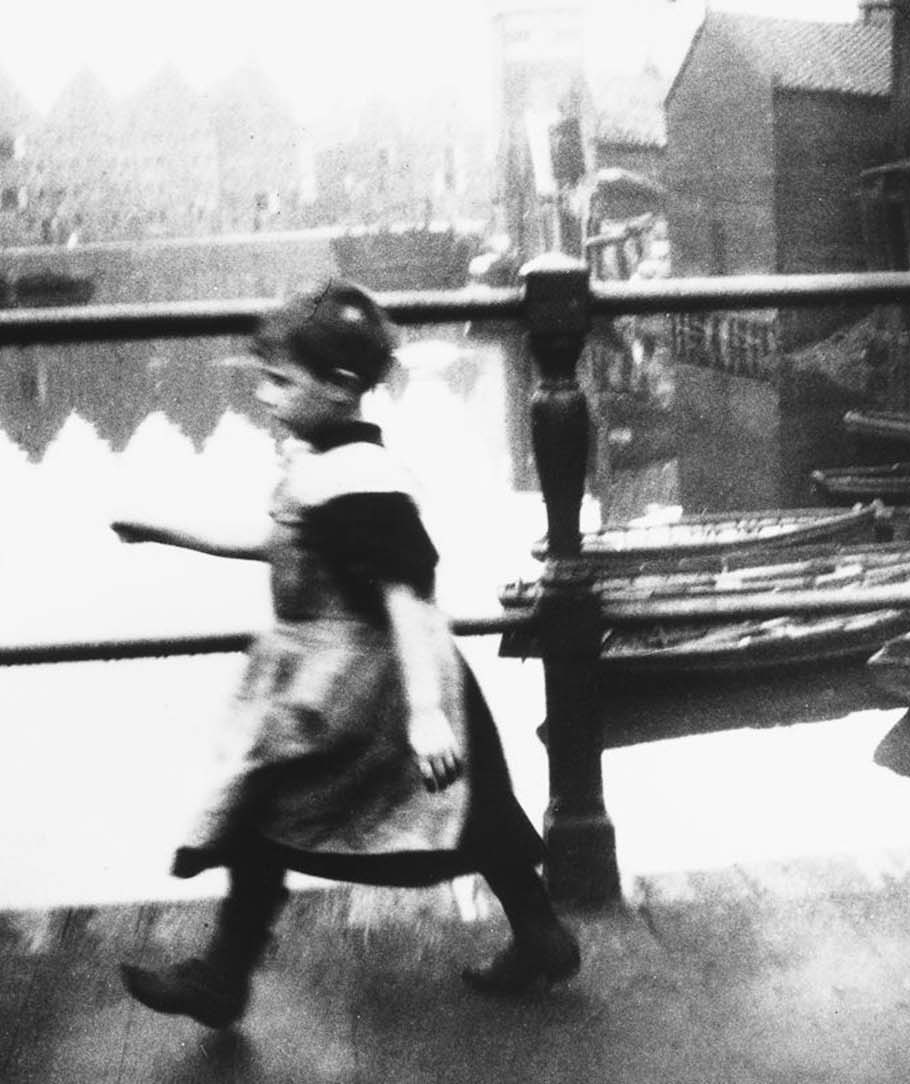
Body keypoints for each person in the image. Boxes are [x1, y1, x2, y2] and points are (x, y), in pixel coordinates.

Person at [112, 279, 580, 1029]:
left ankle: (224, 977)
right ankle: (542, 937)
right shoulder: (324, 462)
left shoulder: (361, 483)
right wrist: (166, 530)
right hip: (344, 675)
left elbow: (408, 595)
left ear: (337, 387)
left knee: (268, 806)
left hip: (379, 682)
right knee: (473, 814)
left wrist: (427, 714)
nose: (263, 395)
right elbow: (280, 542)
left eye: (278, 380)